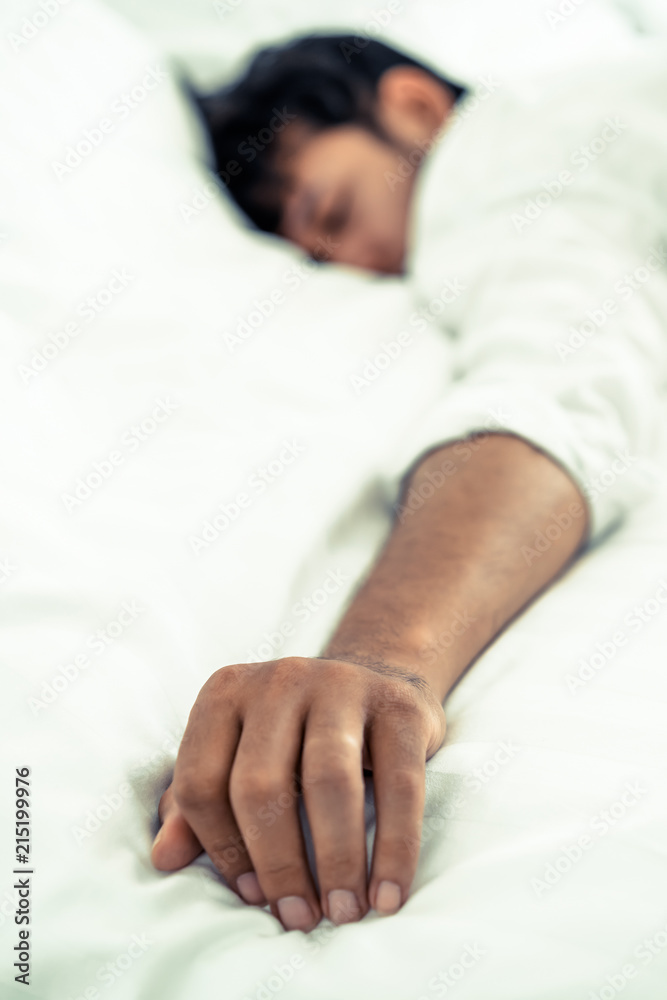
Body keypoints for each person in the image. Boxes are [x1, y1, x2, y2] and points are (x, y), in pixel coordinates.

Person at [150, 34, 667, 932]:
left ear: (416, 109)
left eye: (337, 212)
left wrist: (381, 661)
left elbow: (564, 371)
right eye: (312, 252)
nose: (340, 262)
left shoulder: (492, 171)